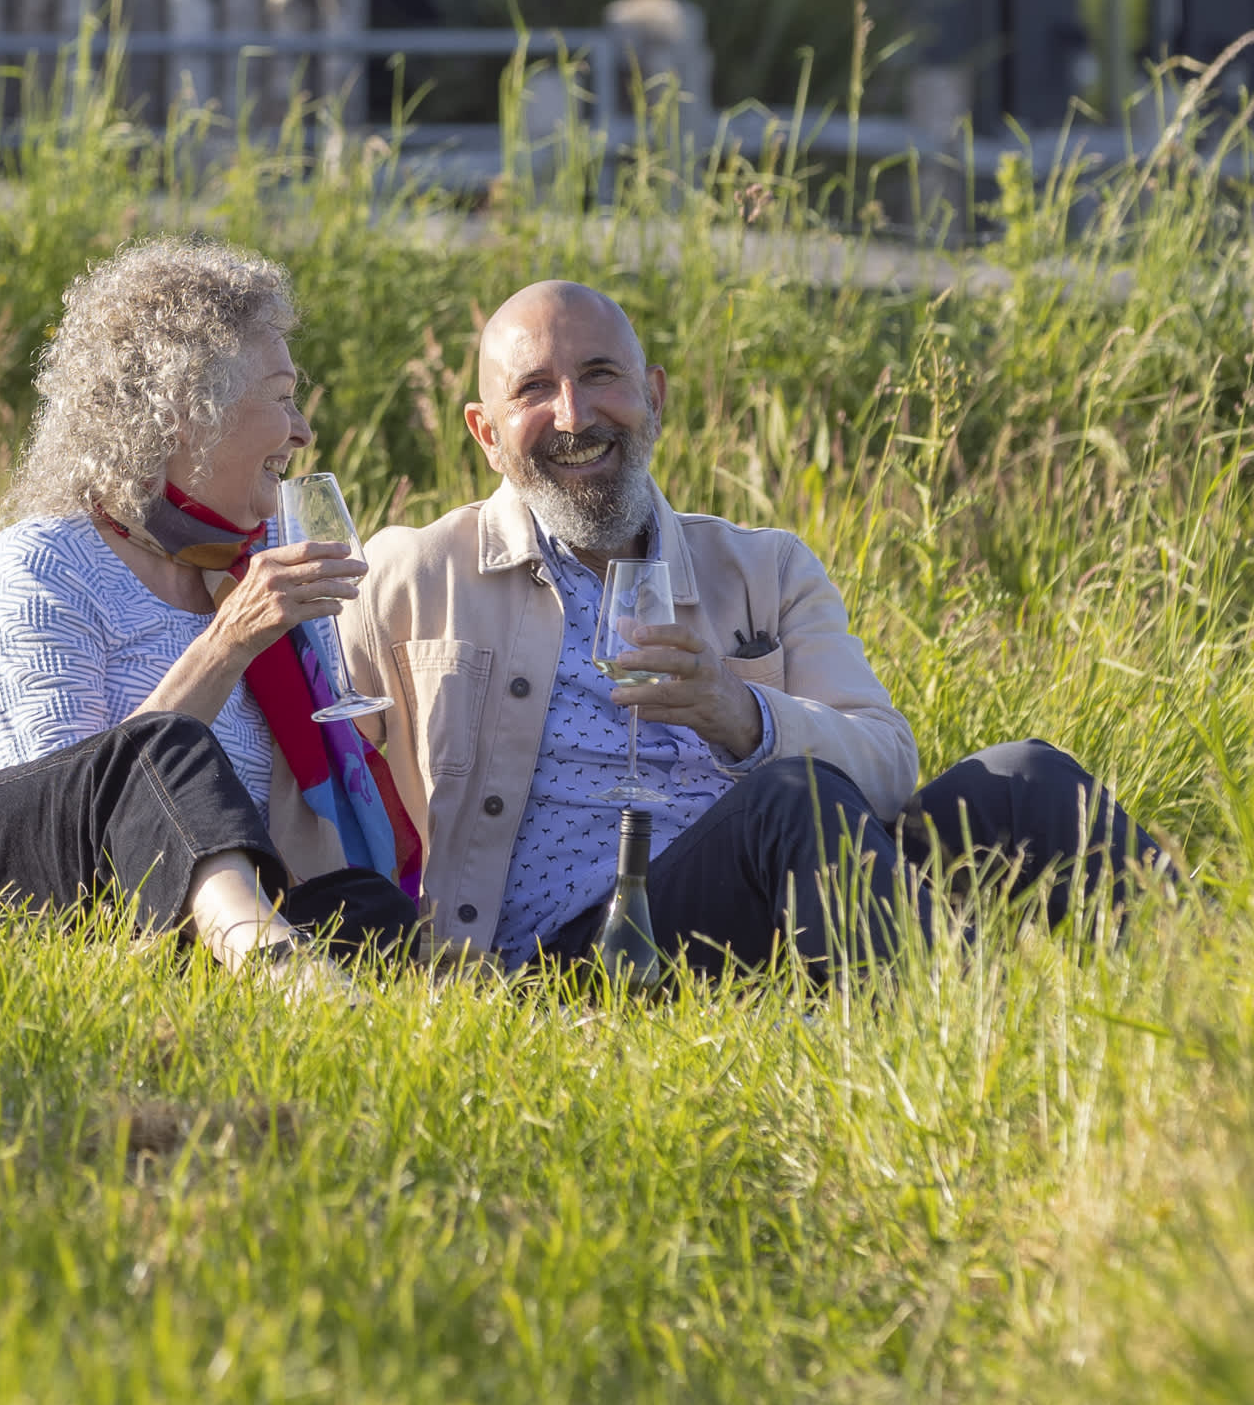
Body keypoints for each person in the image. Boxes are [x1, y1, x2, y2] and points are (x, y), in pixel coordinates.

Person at [342, 278, 1164, 975]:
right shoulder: (412, 573)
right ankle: (957, 1044)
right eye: (533, 390)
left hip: (796, 882)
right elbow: (313, 773)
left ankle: (1216, 1005)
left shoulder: (764, 567)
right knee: (790, 799)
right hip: (588, 956)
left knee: (1027, 778)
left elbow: (887, 762)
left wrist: (745, 716)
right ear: (485, 432)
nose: (572, 413)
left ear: (653, 396)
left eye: (600, 375)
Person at [0, 240, 426, 984]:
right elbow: (75, 803)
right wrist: (228, 640)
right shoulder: (45, 563)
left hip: (153, 903)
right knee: (161, 747)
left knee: (364, 908)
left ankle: (484, 1013)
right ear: (184, 414)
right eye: (279, 396)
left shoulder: (252, 560)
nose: (302, 430)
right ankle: (274, 967)